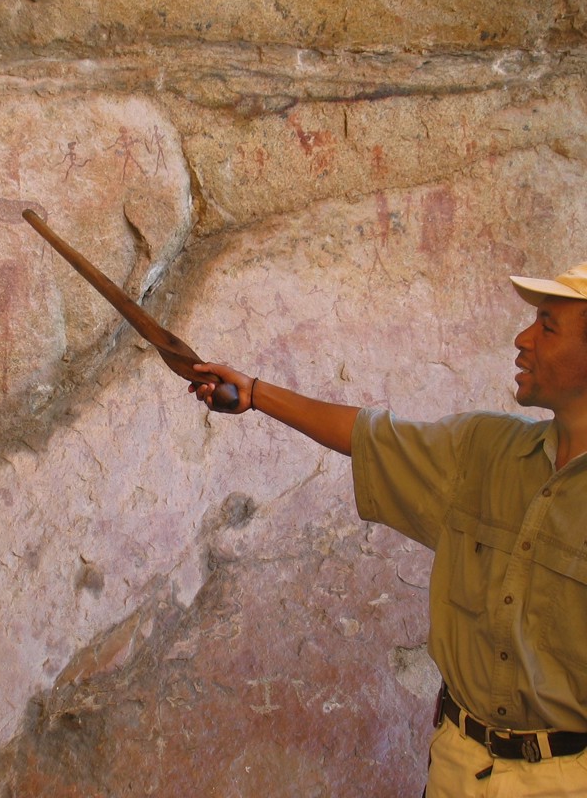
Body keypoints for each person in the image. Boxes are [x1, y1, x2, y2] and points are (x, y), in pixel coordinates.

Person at [189, 263, 587, 797]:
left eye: (547, 325)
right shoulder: (488, 449)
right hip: (459, 764)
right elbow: (370, 436)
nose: (523, 338)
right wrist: (256, 393)